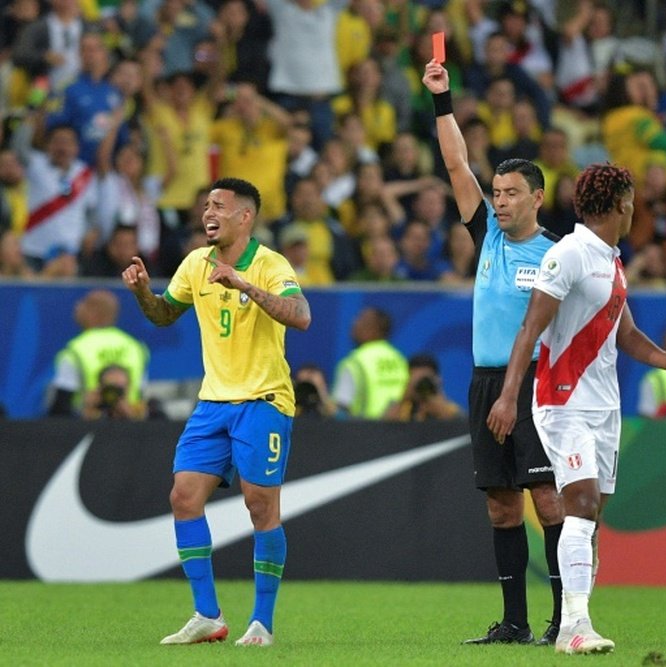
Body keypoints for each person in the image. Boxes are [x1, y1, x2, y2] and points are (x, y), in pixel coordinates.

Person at [486, 163, 666, 654]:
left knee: (591, 516)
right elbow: (529, 328)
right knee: (579, 504)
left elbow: (626, 336)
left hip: (605, 407)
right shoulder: (570, 254)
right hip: (562, 402)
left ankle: (573, 624)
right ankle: (575, 625)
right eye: (634, 204)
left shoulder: (612, 260)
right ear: (623, 205)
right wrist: (507, 394)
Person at [121, 177, 311, 647]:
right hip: (213, 403)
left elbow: (301, 315)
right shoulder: (194, 263)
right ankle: (208, 615)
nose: (209, 212)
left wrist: (244, 285)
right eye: (206, 204)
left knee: (259, 505)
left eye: (219, 206)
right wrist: (143, 292)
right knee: (184, 497)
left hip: (263, 400)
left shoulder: (270, 263)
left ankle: (262, 624)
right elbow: (165, 315)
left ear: (245, 217)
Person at [423, 58, 566, 647]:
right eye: (497, 193)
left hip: (536, 384)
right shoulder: (485, 236)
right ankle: (515, 623)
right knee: (502, 508)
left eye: (511, 193)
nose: (500, 202)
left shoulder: (559, 254)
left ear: (537, 196)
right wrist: (442, 100)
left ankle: (567, 620)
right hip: (487, 383)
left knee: (549, 501)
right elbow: (456, 162)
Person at [48, 288, 149, 418]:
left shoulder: (76, 350)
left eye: (84, 304)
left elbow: (60, 407)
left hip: (84, 428)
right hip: (129, 428)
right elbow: (141, 399)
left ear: (94, 313)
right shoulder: (135, 348)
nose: (77, 308)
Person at [330, 306, 408, 418]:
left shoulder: (355, 362)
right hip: (401, 429)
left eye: (361, 320)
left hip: (367, 431)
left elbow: (341, 409)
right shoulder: (399, 359)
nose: (354, 324)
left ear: (375, 329)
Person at [383, 353, 463, 422]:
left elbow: (462, 428)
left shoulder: (450, 408)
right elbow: (382, 429)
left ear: (438, 379)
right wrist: (404, 398)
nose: (422, 384)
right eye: (416, 379)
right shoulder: (400, 407)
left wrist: (436, 400)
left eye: (425, 379)